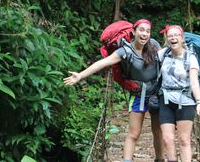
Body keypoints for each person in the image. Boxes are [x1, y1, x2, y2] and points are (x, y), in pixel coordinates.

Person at [63, 19, 164, 162]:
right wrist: (80, 75)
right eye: (141, 30)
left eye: (148, 31)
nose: (145, 34)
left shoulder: (154, 45)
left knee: (158, 131)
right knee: (133, 133)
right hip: (138, 95)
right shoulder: (125, 51)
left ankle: (160, 159)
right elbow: (103, 62)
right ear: (133, 32)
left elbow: (169, 60)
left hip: (156, 93)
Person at [158, 25, 200, 162]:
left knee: (184, 140)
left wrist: (199, 102)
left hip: (186, 100)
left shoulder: (191, 58)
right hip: (165, 99)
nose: (173, 38)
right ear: (167, 39)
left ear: (182, 38)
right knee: (167, 139)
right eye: (170, 36)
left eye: (176, 35)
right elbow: (145, 59)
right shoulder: (163, 54)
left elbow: (194, 82)